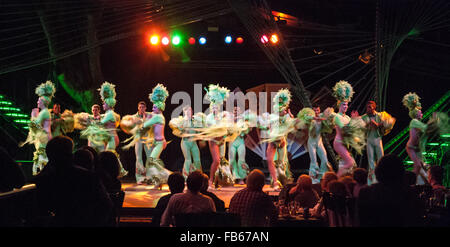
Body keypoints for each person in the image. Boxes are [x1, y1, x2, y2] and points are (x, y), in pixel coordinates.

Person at [31, 136, 114, 227]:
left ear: (49, 154)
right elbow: (106, 205)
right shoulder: (88, 176)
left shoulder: (45, 179)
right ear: (70, 153)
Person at [358, 154, 425, 226]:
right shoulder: (410, 193)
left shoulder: (366, 193)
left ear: (378, 171)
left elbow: (361, 220)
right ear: (401, 172)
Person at [402, 92, 449, 185]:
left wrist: (434, 122)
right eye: (420, 112)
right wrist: (433, 120)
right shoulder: (414, 122)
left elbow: (427, 131)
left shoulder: (417, 123)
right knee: (418, 166)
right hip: (411, 147)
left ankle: (424, 184)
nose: (422, 113)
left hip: (417, 149)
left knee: (422, 167)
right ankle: (410, 183)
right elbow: (426, 128)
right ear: (416, 113)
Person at [328, 80, 365, 177]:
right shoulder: (337, 117)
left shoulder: (347, 117)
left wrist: (356, 120)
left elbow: (352, 130)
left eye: (347, 105)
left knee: (347, 165)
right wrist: (353, 121)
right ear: (339, 105)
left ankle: (344, 182)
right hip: (339, 143)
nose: (346, 106)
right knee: (350, 163)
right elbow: (344, 129)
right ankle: (336, 180)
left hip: (346, 144)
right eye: (344, 105)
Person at [20, 81, 56, 175]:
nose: (37, 102)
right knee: (41, 158)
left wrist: (33, 115)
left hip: (44, 138)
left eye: (39, 100)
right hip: (43, 138)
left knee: (43, 159)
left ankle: (42, 177)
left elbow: (34, 125)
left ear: (43, 102)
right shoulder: (44, 112)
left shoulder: (44, 112)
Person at [264, 89, 295, 190]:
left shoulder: (286, 118)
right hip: (273, 142)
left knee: (281, 164)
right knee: (270, 161)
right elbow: (268, 128)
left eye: (285, 110)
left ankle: (281, 181)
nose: (285, 111)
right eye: (283, 110)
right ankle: (275, 182)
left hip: (281, 142)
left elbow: (292, 126)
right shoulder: (273, 117)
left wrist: (291, 117)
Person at [361, 101, 396, 184]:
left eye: (370, 107)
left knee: (381, 159)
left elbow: (389, 122)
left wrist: (378, 124)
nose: (368, 108)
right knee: (371, 161)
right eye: (367, 107)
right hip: (369, 139)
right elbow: (360, 126)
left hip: (377, 139)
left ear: (374, 107)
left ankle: (382, 178)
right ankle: (372, 181)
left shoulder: (380, 115)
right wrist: (367, 125)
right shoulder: (364, 117)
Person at [297, 106, 332, 184]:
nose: (316, 112)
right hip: (311, 143)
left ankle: (322, 177)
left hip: (319, 142)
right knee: (314, 161)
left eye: (318, 110)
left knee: (325, 160)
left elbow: (329, 115)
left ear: (320, 110)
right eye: (315, 110)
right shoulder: (310, 119)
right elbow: (306, 116)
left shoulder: (321, 116)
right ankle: (313, 179)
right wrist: (315, 118)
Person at [121, 101, 153, 184]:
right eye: (140, 107)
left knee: (149, 157)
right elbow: (127, 125)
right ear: (138, 108)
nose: (141, 109)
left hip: (147, 138)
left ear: (145, 108)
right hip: (138, 139)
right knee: (139, 158)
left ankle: (149, 177)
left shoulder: (149, 115)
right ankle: (140, 178)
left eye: (143, 107)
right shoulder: (133, 117)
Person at [169, 106, 203, 179]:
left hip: (193, 143)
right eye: (187, 111)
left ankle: (198, 176)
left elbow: (199, 130)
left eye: (190, 110)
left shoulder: (194, 121)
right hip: (185, 143)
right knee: (188, 160)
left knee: (197, 159)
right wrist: (182, 130)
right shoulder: (181, 121)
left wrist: (201, 138)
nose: (188, 112)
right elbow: (177, 130)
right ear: (184, 112)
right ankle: (185, 177)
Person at [228, 107, 251, 185]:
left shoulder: (243, 121)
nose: (235, 111)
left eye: (237, 110)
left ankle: (241, 177)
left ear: (240, 112)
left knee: (241, 160)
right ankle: (233, 177)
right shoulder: (229, 121)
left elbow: (246, 131)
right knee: (232, 160)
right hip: (232, 142)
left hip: (240, 142)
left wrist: (246, 125)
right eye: (234, 110)